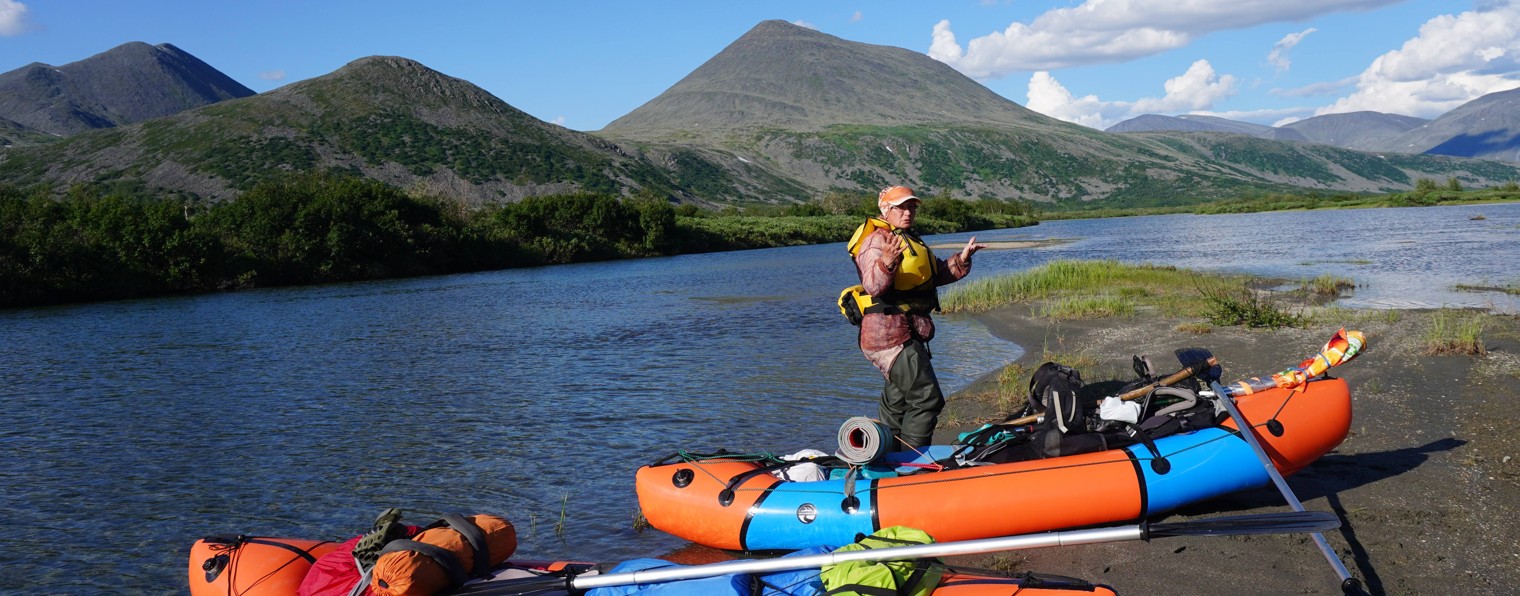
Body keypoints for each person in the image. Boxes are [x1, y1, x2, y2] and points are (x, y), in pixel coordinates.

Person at [848, 186, 986, 451]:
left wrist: (963, 258)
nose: (908, 212)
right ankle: (912, 463)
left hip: (905, 333)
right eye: (901, 207)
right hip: (888, 336)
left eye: (912, 207)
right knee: (926, 398)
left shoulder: (910, 239)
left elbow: (932, 277)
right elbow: (873, 286)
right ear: (885, 210)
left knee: (898, 402)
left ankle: (887, 456)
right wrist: (886, 262)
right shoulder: (877, 241)